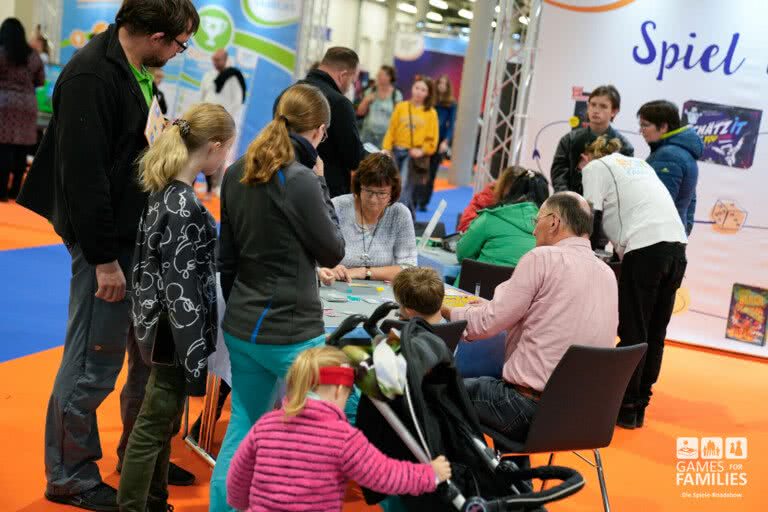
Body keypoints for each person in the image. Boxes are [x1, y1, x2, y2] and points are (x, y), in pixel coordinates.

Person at [17, 1, 199, 509]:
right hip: (107, 244)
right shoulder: (91, 77)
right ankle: (69, 475)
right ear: (157, 36)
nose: (180, 52)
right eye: (180, 43)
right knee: (93, 361)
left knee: (145, 356)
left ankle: (140, 456)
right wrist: (102, 261)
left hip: (134, 234)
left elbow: (128, 146)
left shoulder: (135, 69)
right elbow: (83, 179)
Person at [210, 83, 346, 512]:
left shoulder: (237, 172)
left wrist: (240, 312)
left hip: (244, 326)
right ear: (319, 130)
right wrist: (322, 182)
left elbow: (227, 259)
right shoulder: (302, 179)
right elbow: (334, 250)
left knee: (243, 427)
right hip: (290, 332)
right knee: (317, 436)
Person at [118, 103, 235, 512]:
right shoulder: (185, 206)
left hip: (158, 322)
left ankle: (154, 499)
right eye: (228, 150)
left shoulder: (165, 191)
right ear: (214, 147)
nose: (227, 158)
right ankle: (133, 505)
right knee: (154, 423)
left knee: (162, 420)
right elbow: (181, 284)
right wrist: (193, 350)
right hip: (173, 330)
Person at [442, 192, 618, 443]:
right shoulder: (608, 273)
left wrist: (444, 308)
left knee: (434, 389)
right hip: (584, 416)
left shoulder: (542, 258)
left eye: (537, 221)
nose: (534, 231)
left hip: (525, 408)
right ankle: (507, 467)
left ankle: (454, 467)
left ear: (554, 222)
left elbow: (486, 324)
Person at [226, 346, 452, 512]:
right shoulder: (343, 438)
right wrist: (429, 474)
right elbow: (383, 475)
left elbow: (238, 476)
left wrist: (243, 505)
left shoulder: (265, 426)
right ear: (338, 390)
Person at [581, 136, 687, 429]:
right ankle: (639, 405)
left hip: (645, 248)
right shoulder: (639, 165)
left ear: (587, 157)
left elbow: (589, 216)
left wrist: (585, 255)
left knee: (634, 330)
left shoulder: (596, 167)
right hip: (677, 247)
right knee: (655, 331)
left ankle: (625, 406)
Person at [278, 46, 365, 198]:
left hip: (282, 186)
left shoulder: (285, 95)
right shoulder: (340, 104)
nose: (351, 85)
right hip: (327, 193)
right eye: (353, 80)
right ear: (343, 75)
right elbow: (354, 158)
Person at [318, 153, 416, 285]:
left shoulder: (400, 214)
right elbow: (314, 256)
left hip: (383, 293)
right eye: (368, 191)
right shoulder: (337, 207)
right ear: (359, 187)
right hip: (336, 287)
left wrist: (364, 272)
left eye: (381, 193)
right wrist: (328, 269)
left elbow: (409, 268)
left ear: (392, 192)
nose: (373, 199)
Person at [456, 168, 549, 270]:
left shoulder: (490, 217)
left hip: (478, 279)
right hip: (522, 280)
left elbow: (462, 254)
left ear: (513, 190)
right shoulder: (551, 231)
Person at [550, 85, 634, 195]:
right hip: (572, 201)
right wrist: (568, 199)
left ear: (614, 111)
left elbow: (624, 184)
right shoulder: (569, 139)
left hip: (608, 203)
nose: (596, 110)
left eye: (603, 106)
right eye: (593, 104)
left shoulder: (624, 146)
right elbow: (558, 176)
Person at [638, 100, 702, 235]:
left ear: (663, 127)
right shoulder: (683, 152)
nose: (641, 131)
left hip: (657, 236)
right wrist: (682, 232)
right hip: (671, 235)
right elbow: (690, 202)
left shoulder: (668, 155)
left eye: (645, 125)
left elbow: (657, 206)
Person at [0, 18, 44, 202]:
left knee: (3, 148)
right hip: (27, 104)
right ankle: (16, 191)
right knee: (22, 148)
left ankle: (1, 191)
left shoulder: (2, 53)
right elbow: (40, 81)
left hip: (4, 103)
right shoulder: (33, 56)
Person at [382, 77, 439, 213]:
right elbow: (391, 129)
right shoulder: (401, 107)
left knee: (403, 188)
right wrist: (386, 148)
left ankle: (399, 217)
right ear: (412, 88)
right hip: (395, 152)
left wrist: (422, 151)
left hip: (412, 155)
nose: (419, 92)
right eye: (417, 88)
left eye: (423, 90)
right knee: (390, 185)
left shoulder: (431, 113)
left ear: (428, 93)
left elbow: (433, 139)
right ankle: (407, 216)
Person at [200, 48, 246, 194]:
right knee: (203, 150)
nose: (215, 62)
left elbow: (238, 101)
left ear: (225, 59)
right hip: (207, 120)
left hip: (223, 123)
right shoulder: (208, 75)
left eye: (218, 60)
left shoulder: (234, 77)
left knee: (220, 154)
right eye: (213, 59)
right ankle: (206, 185)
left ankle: (216, 186)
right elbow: (203, 96)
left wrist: (224, 118)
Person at [416, 74, 456, 211]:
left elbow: (451, 124)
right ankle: (415, 198)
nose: (441, 86)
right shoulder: (430, 101)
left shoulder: (451, 104)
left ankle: (424, 201)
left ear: (448, 87)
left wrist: (446, 141)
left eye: (444, 84)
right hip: (425, 140)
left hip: (439, 142)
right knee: (420, 170)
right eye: (440, 83)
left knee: (432, 173)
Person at [456, 168, 519, 233]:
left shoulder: (519, 206)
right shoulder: (486, 198)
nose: (516, 196)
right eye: (513, 190)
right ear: (503, 186)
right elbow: (466, 227)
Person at [357, 65, 402, 148]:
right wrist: (366, 101)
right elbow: (360, 113)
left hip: (386, 138)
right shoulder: (371, 91)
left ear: (389, 77)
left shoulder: (396, 95)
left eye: (381, 74)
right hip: (368, 135)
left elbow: (399, 118)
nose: (378, 76)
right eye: (378, 74)